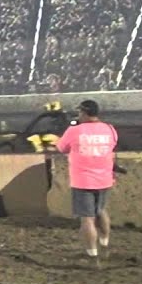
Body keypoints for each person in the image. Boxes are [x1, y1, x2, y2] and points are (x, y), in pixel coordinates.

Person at [55, 99, 118, 261]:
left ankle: (92, 253)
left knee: (87, 218)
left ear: (83, 113)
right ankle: (105, 244)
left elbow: (61, 147)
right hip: (104, 178)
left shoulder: (74, 130)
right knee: (101, 210)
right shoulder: (109, 129)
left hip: (83, 180)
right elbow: (112, 148)